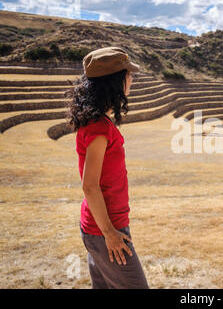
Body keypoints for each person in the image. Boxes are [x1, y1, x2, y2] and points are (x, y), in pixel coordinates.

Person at [65, 47, 149, 289]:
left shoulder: (94, 122)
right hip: (106, 229)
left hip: (100, 226)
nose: (132, 78)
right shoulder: (100, 128)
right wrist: (110, 233)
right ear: (115, 81)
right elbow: (89, 186)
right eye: (128, 74)